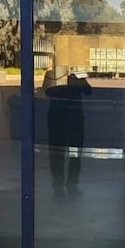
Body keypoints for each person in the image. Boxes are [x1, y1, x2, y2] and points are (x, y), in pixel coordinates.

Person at [45, 66, 92, 198]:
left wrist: (76, 81)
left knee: (74, 154)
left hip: (73, 121)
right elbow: (47, 91)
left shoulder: (78, 74)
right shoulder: (52, 73)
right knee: (57, 155)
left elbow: (88, 90)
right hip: (58, 121)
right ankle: (58, 186)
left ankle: (71, 185)